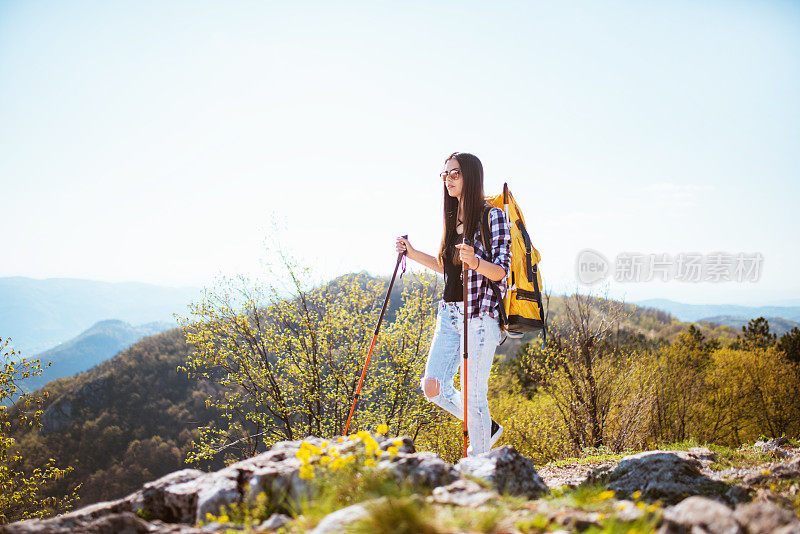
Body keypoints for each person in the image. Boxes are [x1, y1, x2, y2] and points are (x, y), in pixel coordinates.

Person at [396, 151, 511, 456]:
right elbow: (446, 267)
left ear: (470, 177)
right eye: (445, 174)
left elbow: (501, 271)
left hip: (478, 316)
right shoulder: (452, 219)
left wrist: (475, 262)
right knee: (432, 386)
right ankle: (486, 428)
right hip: (448, 315)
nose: (448, 179)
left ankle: (480, 466)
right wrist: (412, 253)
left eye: (455, 173)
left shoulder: (491, 216)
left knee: (474, 397)